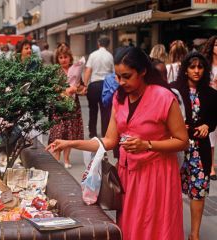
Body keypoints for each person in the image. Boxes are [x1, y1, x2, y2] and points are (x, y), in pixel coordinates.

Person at [47, 47, 188, 240]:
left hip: (157, 176)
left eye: (127, 76)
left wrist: (147, 145)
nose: (121, 82)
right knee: (131, 228)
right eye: (118, 76)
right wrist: (70, 143)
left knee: (156, 229)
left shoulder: (163, 97)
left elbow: (182, 141)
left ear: (143, 71)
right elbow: (109, 141)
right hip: (128, 177)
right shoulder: (119, 98)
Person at [171, 52, 217, 240]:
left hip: (200, 150)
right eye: (192, 67)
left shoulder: (211, 93)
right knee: (171, 190)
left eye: (200, 67)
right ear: (185, 70)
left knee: (198, 191)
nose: (196, 71)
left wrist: (208, 125)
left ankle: (194, 234)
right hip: (176, 149)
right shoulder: (174, 90)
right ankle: (171, 231)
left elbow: (214, 117)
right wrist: (178, 123)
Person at [48, 45, 84, 169]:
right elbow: (53, 88)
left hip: (72, 105)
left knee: (69, 132)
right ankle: (57, 157)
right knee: (59, 131)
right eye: (60, 57)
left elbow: (82, 87)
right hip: (59, 105)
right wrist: (66, 91)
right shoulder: (55, 71)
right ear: (57, 59)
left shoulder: (75, 70)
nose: (63, 59)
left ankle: (67, 158)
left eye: (66, 57)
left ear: (70, 58)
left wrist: (79, 89)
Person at [83, 36, 114, 138]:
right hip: (106, 86)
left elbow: (88, 70)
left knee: (93, 110)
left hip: (94, 85)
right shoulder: (110, 56)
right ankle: (105, 133)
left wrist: (85, 85)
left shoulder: (93, 55)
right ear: (108, 44)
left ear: (98, 43)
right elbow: (113, 73)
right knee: (105, 111)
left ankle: (93, 133)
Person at [201, 35, 217, 180]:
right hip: (211, 101)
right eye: (216, 45)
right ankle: (211, 166)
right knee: (211, 136)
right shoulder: (206, 64)